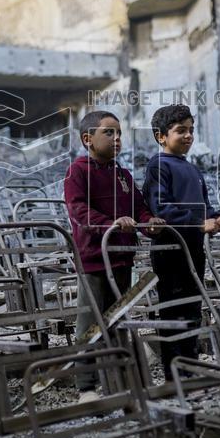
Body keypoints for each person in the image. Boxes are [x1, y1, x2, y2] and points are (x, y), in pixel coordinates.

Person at [63, 110, 165, 400]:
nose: (117, 138)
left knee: (119, 317)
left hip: (123, 255)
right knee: (90, 321)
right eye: (109, 132)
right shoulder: (78, 171)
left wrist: (150, 223)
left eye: (119, 133)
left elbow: (139, 207)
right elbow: (78, 210)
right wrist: (110, 224)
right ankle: (86, 386)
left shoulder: (123, 174)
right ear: (88, 139)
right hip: (95, 257)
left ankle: (121, 378)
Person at [141, 104, 220, 380]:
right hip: (170, 249)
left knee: (192, 307)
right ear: (161, 136)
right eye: (181, 130)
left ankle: (190, 366)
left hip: (193, 248)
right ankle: (175, 373)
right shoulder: (158, 165)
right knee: (172, 309)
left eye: (191, 130)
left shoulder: (191, 169)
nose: (188, 136)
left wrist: (218, 217)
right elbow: (161, 209)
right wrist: (198, 223)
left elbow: (202, 206)